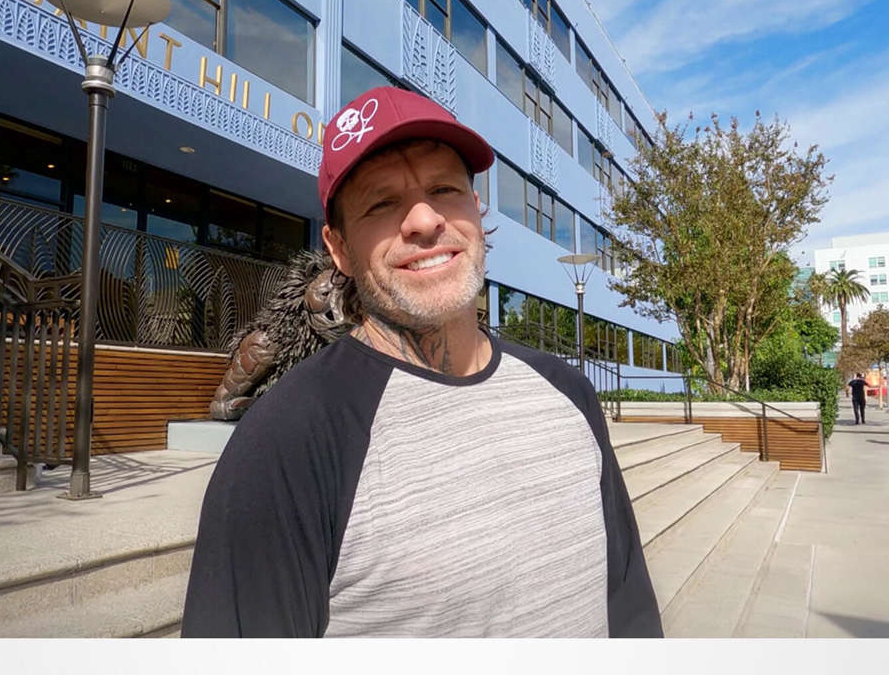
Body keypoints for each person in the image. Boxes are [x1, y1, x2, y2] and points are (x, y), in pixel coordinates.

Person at [181, 86, 662, 638]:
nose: (425, 220)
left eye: (444, 190)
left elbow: (631, 613)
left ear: (476, 211)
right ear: (339, 249)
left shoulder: (568, 392)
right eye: (382, 204)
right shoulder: (285, 440)